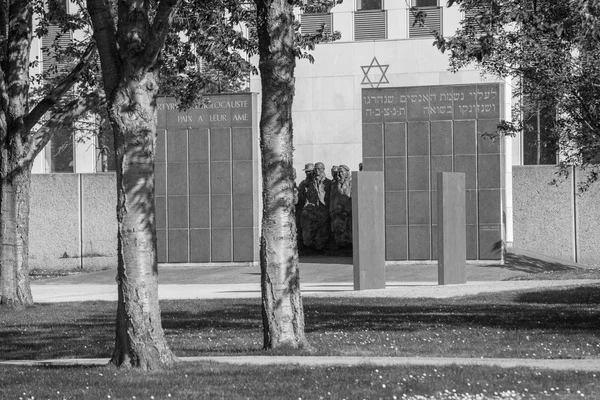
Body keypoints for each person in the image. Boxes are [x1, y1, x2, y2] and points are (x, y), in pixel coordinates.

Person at [300, 162, 331, 250]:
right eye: (315, 169)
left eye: (319, 169)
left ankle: (322, 247)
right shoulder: (310, 183)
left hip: (324, 209)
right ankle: (312, 246)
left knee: (323, 229)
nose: (316, 171)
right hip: (314, 209)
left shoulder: (328, 183)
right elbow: (308, 197)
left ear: (323, 170)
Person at [330, 164, 352, 248]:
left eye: (341, 172)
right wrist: (332, 211)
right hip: (336, 211)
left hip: (347, 212)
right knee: (337, 230)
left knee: (347, 230)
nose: (339, 174)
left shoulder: (351, 183)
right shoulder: (335, 184)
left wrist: (346, 210)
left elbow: (352, 198)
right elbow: (332, 198)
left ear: (347, 173)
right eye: (338, 172)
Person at [296, 163, 314, 250]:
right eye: (307, 172)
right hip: (303, 209)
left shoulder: (317, 183)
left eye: (310, 172)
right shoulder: (303, 183)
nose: (308, 174)